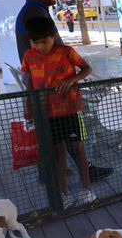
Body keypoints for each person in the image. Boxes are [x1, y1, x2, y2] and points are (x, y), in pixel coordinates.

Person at [15, 0, 113, 183]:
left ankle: (58, 175)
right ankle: (67, 176)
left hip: (48, 88)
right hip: (51, 89)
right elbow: (54, 49)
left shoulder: (35, 9)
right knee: (66, 139)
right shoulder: (35, 12)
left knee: (63, 138)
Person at [22, 17, 97, 208]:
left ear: (53, 37)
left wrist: (72, 79)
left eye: (44, 42)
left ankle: (87, 189)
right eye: (35, 43)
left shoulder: (67, 51)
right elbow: (29, 81)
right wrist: (28, 105)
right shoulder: (29, 56)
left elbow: (87, 69)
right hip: (46, 113)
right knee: (58, 153)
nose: (40, 46)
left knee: (78, 148)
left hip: (71, 110)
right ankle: (64, 193)